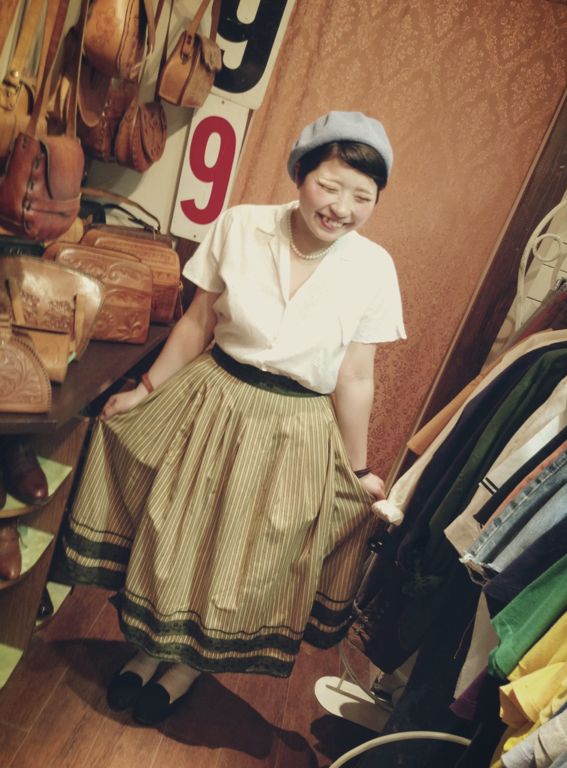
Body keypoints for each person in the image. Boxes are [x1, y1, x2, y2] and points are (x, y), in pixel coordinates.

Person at [64, 110, 406, 726]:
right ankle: (146, 652)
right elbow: (197, 322)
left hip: (296, 428)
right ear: (300, 175)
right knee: (176, 531)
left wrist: (357, 471)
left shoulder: (375, 267)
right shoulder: (242, 225)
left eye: (363, 197)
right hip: (213, 398)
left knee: (244, 554)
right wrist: (146, 389)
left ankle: (187, 667)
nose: (341, 208)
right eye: (330, 186)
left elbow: (356, 376)